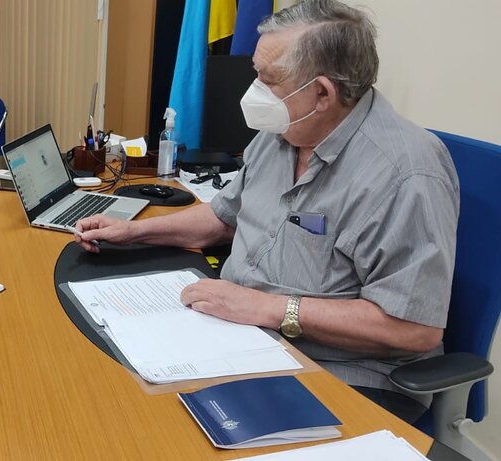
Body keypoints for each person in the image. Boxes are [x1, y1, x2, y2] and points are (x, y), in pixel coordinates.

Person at [74, 0, 458, 424]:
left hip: (343, 375)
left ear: (323, 93)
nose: (252, 90)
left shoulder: (405, 174)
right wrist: (133, 232)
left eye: (267, 79)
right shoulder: (285, 131)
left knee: (159, 427)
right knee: (102, 388)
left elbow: (414, 328)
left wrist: (270, 308)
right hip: (240, 335)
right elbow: (225, 216)